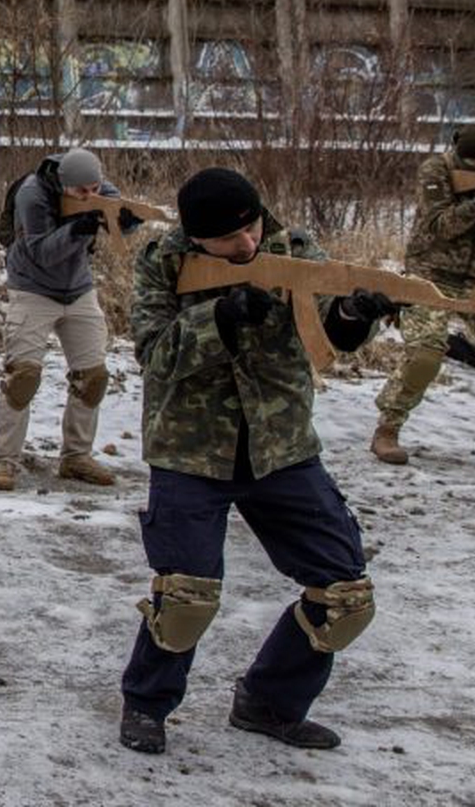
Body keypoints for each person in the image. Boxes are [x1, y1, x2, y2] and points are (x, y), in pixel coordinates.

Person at [118, 167, 391, 755]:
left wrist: (356, 316)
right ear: (196, 240)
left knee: (344, 596)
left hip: (281, 447)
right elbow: (153, 353)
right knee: (186, 599)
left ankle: (269, 703)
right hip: (190, 450)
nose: (246, 244)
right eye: (227, 239)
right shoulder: (161, 261)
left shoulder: (293, 250)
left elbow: (330, 336)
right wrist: (217, 318)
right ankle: (146, 705)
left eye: (251, 228)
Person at [370, 125, 475, 475]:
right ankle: (387, 429)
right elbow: (440, 226)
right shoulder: (437, 171)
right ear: (462, 156)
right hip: (429, 275)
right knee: (426, 355)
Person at [0, 147, 135, 491]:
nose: (90, 196)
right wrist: (79, 229)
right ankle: (4, 462)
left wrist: (123, 222)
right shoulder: (32, 195)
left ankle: (76, 458)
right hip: (33, 290)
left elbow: (117, 215)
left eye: (95, 189)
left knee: (93, 377)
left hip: (79, 290)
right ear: (64, 184)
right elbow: (43, 254)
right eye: (82, 192)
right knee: (22, 377)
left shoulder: (95, 187)